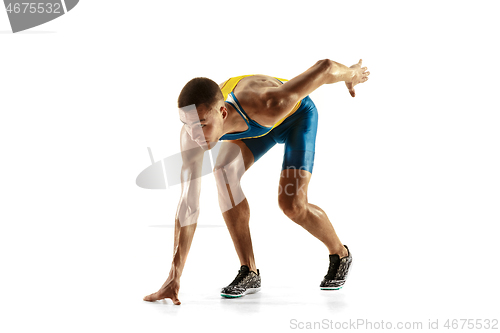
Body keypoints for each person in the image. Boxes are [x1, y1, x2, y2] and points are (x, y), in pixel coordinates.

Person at [143, 59, 370, 304]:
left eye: (202, 125)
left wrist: (353, 73)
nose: (194, 135)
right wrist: (174, 276)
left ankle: (340, 253)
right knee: (224, 172)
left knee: (292, 206)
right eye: (187, 125)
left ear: (222, 113)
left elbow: (324, 68)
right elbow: (189, 205)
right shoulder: (191, 135)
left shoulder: (270, 102)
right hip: (256, 126)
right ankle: (249, 271)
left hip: (295, 118)